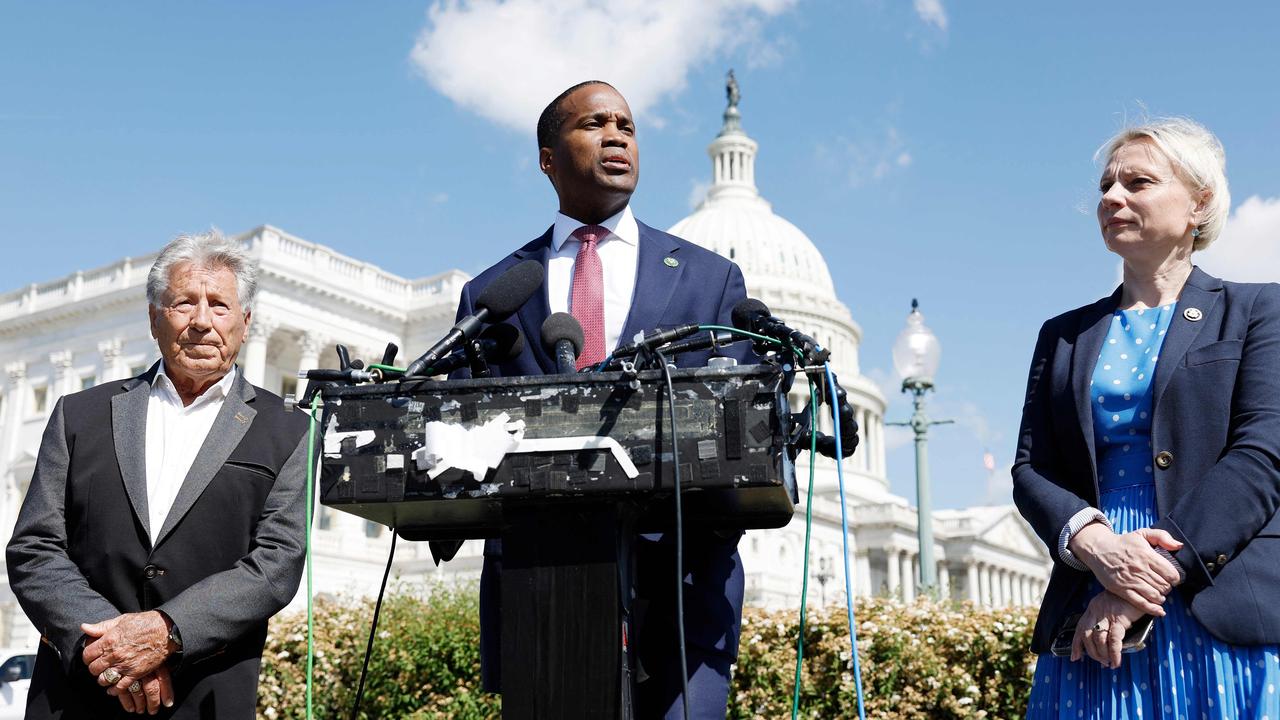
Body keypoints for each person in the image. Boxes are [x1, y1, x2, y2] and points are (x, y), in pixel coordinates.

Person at [446, 80, 752, 718]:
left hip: (682, 587)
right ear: (548, 158)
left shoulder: (708, 279)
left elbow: (740, 426)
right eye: (594, 124)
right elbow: (454, 431)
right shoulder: (494, 292)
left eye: (627, 126)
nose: (617, 136)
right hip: (541, 590)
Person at [1012, 118, 1280, 718]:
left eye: (1137, 182)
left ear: (1198, 203)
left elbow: (1261, 457)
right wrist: (1096, 547)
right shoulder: (1063, 336)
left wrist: (1143, 578)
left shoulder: (1261, 310)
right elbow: (1032, 469)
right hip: (1091, 586)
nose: (1111, 197)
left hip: (1215, 583)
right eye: (1106, 185)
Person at [6, 232, 310, 718]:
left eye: (220, 305)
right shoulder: (79, 414)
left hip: (204, 695)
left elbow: (277, 563)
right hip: (76, 693)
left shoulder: (289, 430)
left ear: (246, 323)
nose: (202, 322)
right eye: (184, 304)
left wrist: (167, 632)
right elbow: (34, 547)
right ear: (154, 318)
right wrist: (113, 648)